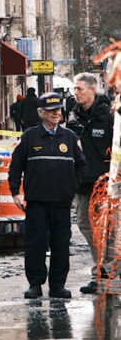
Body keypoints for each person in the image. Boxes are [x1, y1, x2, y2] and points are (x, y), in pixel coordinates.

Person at [8, 92, 87, 299]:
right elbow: (16, 166)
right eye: (52, 110)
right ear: (41, 113)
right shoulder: (30, 137)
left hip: (61, 203)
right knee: (35, 245)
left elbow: (82, 166)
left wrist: (72, 187)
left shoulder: (69, 138)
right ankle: (35, 284)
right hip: (36, 203)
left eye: (59, 110)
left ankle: (57, 286)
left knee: (61, 245)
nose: (56, 113)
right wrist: (15, 192)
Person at [65, 72, 112, 294]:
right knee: (86, 226)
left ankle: (107, 273)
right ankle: (101, 270)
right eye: (74, 89)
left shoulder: (109, 116)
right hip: (81, 183)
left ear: (92, 89)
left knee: (106, 228)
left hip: (105, 183)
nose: (76, 93)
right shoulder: (73, 116)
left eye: (80, 89)